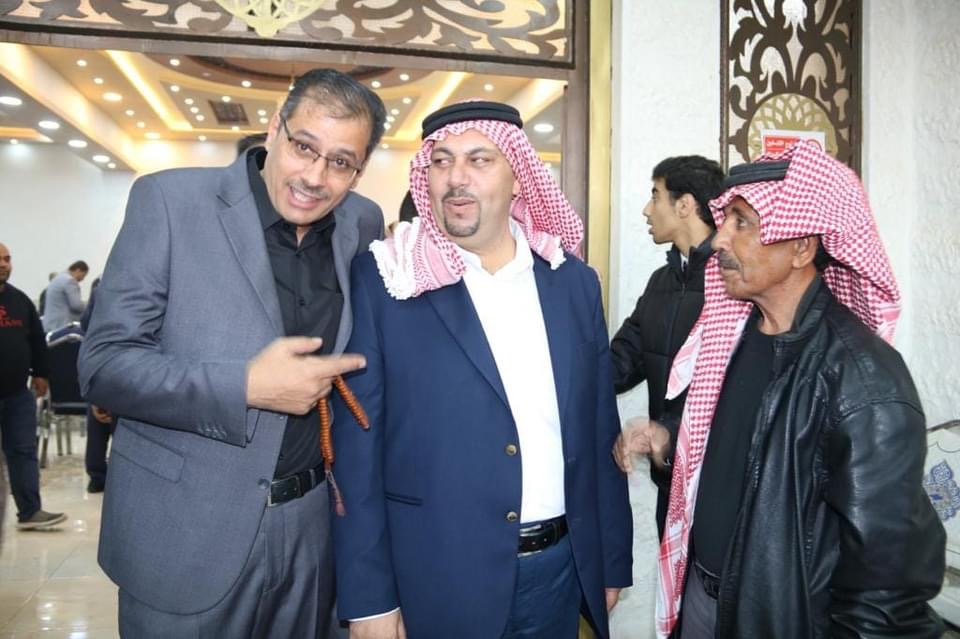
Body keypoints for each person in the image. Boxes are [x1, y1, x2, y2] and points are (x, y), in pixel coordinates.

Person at [79, 68, 387, 638]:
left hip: (312, 531)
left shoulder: (362, 222)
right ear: (274, 129)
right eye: (303, 147)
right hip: (185, 533)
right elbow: (104, 364)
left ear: (359, 169)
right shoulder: (169, 201)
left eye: (341, 162)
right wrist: (245, 387)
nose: (315, 177)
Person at [618, 142, 945, 638]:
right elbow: (734, 443)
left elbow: (886, 592)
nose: (719, 239)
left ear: (801, 248)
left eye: (741, 223)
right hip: (702, 598)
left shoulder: (863, 378)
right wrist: (668, 438)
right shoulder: (730, 336)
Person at [332, 101, 633, 639]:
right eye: (441, 161)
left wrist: (609, 560)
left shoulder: (573, 283)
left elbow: (597, 429)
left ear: (519, 177)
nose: (456, 178)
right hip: (435, 579)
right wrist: (370, 601)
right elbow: (357, 453)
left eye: (479, 160)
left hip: (559, 573)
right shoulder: (388, 280)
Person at [610, 155, 723, 538]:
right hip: (670, 477)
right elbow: (618, 364)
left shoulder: (735, 284)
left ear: (685, 205)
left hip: (720, 486)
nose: (647, 209)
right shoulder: (661, 281)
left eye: (655, 196)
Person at [0, 242, 67, 530]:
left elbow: (37, 340)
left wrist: (41, 373)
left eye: (7, 259)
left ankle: (30, 512)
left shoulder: (20, 301)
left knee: (23, 451)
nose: (4, 264)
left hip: (17, 394)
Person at [79, 277, 114, 494]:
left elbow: (86, 326)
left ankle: (96, 475)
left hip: (103, 364)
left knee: (98, 424)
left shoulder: (102, 287)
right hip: (135, 369)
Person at [42, 260, 88, 332]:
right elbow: (76, 305)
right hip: (62, 326)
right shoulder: (70, 281)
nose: (82, 279)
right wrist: (88, 307)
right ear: (78, 270)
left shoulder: (58, 278)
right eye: (83, 275)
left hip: (50, 325)